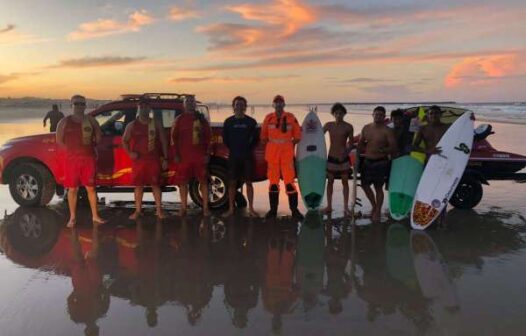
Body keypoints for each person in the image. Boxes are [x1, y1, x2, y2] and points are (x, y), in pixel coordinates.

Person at [56, 95, 106, 228]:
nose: (79, 106)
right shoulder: (64, 121)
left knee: (91, 188)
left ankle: (95, 216)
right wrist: (70, 151)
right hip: (72, 161)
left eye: (82, 104)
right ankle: (72, 217)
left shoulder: (90, 120)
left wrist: (94, 144)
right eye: (76, 104)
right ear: (71, 105)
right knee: (72, 189)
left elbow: (99, 135)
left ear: (85, 105)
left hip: (88, 159)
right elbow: (59, 140)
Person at [122, 98, 169, 220]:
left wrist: (165, 158)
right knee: (138, 186)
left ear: (149, 108)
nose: (144, 109)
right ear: (138, 108)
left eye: (146, 106)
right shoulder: (131, 125)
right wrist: (130, 153)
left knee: (156, 185)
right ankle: (138, 211)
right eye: (141, 106)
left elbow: (164, 141)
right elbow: (124, 141)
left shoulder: (156, 123)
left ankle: (159, 210)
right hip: (139, 161)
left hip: (154, 159)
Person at [260, 95, 303, 220]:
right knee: (273, 184)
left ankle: (294, 211)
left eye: (281, 103)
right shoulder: (268, 118)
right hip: (272, 156)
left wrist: (287, 145)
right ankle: (273, 211)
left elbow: (298, 136)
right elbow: (263, 137)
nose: (278, 105)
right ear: (273, 105)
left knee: (290, 184)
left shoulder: (291, 117)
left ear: (284, 104)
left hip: (286, 156)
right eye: (276, 103)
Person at [171, 95, 212, 217]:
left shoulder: (201, 119)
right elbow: (173, 138)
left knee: (203, 182)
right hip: (184, 157)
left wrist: (207, 153)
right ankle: (183, 208)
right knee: (183, 183)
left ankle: (205, 208)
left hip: (199, 156)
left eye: (192, 101)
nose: (189, 103)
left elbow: (209, 137)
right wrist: (176, 154)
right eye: (187, 101)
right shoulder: (179, 119)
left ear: (195, 104)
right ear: (184, 105)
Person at [357, 106, 396, 223]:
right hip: (367, 161)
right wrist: (358, 158)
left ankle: (378, 210)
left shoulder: (387, 130)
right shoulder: (366, 128)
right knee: (364, 185)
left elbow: (394, 147)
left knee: (378, 187)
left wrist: (384, 151)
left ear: (384, 117)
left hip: (381, 162)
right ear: (372, 115)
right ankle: (374, 205)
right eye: (376, 114)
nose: (378, 116)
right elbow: (360, 144)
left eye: (380, 115)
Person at [223, 96, 259, 217]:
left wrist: (247, 149)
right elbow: (225, 140)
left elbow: (255, 140)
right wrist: (235, 148)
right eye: (237, 104)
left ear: (245, 107)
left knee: (249, 183)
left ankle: (252, 209)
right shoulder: (228, 122)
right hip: (234, 156)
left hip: (247, 157)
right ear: (233, 106)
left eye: (242, 105)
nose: (239, 107)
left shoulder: (251, 122)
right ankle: (231, 209)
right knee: (232, 183)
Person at [323, 103, 354, 216]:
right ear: (333, 114)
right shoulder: (328, 125)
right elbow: (317, 136)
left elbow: (350, 144)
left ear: (344, 114)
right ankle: (329, 206)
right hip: (331, 158)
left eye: (341, 113)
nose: (339, 115)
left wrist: (345, 153)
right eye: (336, 113)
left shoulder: (348, 127)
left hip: (343, 159)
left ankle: (346, 207)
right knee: (330, 182)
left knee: (345, 182)